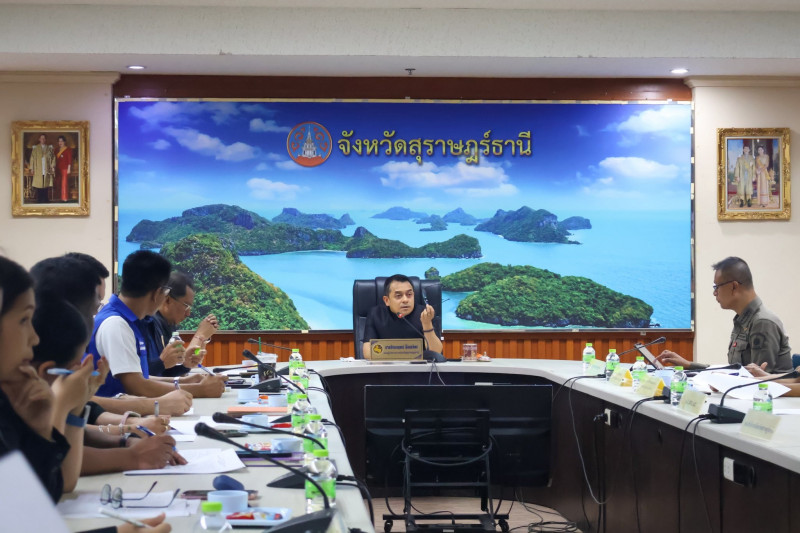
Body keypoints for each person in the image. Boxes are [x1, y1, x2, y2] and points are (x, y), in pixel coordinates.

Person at [87, 250, 225, 400]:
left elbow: (141, 377)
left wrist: (184, 381)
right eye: (165, 293)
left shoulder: (129, 321)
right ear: (157, 293)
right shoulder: (116, 324)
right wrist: (200, 390)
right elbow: (135, 386)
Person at [657, 257, 792, 373]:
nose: (714, 293)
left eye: (717, 287)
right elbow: (734, 371)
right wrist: (688, 365)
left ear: (734, 286)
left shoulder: (762, 322)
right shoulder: (743, 320)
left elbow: (757, 381)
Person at [141, 270, 219, 377]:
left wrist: (185, 364)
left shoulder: (169, 324)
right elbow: (140, 376)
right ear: (167, 300)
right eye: (186, 306)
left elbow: (167, 372)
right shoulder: (148, 323)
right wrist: (199, 336)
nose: (188, 313)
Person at [361, 274, 443, 360]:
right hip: (387, 366)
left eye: (409, 294)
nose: (405, 300)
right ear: (387, 300)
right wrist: (403, 354)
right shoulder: (376, 314)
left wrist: (426, 324)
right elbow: (368, 352)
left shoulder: (425, 314)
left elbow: (436, 353)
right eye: (398, 296)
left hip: (418, 367)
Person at [28, 133, 55, 203]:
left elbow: (53, 157)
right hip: (38, 168)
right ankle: (39, 199)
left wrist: (52, 166)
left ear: (45, 140)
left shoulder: (49, 148)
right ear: (39, 139)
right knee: (39, 184)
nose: (43, 139)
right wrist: (32, 168)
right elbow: (32, 158)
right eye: (41, 138)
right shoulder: (35, 148)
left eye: (44, 138)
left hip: (46, 168)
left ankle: (46, 199)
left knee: (46, 184)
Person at [732, 144, 755, 208]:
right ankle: (742, 201)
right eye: (745, 148)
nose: (746, 150)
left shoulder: (752, 158)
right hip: (741, 175)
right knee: (741, 188)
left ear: (749, 150)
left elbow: (753, 168)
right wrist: (737, 176)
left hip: (749, 175)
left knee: (749, 188)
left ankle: (749, 200)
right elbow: (737, 167)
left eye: (747, 148)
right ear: (743, 150)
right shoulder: (739, 158)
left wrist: (753, 176)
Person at [54, 135, 73, 202]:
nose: (60, 142)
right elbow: (54, 159)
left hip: (65, 169)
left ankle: (64, 198)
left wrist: (69, 168)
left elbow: (69, 160)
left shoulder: (68, 149)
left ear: (64, 142)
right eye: (59, 141)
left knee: (64, 183)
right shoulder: (56, 150)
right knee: (58, 183)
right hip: (57, 169)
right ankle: (59, 197)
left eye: (61, 141)